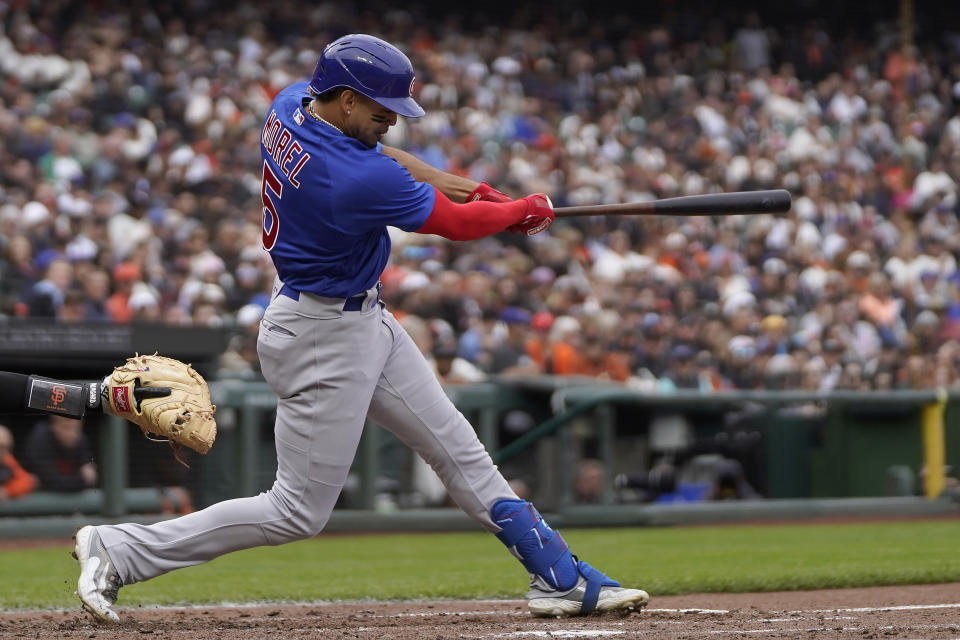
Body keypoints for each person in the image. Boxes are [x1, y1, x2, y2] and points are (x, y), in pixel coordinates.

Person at [73, 34, 648, 623]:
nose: (392, 121)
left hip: (354, 318)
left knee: (459, 449)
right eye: (381, 110)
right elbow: (453, 225)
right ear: (346, 99)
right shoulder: (347, 177)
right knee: (296, 511)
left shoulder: (292, 103)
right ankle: (120, 551)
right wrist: (518, 211)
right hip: (321, 336)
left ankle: (557, 575)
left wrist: (468, 187)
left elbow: (394, 165)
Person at [23, 416, 97, 492]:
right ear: (53, 426)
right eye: (66, 427)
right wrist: (83, 480)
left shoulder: (81, 440)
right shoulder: (40, 439)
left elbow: (91, 476)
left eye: (76, 429)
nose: (72, 434)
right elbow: (52, 482)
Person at [0, 424, 37, 500]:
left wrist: (7, 490)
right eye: (1, 447)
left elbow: (26, 481)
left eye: (6, 448)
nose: (3, 451)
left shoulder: (7, 459)